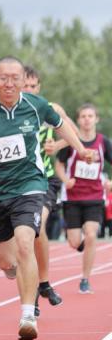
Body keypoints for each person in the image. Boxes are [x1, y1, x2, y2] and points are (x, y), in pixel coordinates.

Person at [0, 56, 93, 340]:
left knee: (27, 241)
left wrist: (80, 148)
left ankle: (28, 314)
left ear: (23, 80)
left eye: (16, 78)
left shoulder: (35, 105)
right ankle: (16, 270)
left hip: (30, 185)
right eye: (4, 78)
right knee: (4, 260)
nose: (10, 83)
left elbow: (62, 124)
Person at [23, 66, 80, 316]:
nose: (29, 90)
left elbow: (73, 133)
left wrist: (56, 145)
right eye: (25, 86)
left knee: (37, 228)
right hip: (19, 182)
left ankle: (39, 287)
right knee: (21, 243)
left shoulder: (50, 108)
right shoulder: (9, 112)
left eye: (33, 86)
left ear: (39, 88)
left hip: (45, 180)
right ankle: (39, 285)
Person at [56, 103, 112, 293]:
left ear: (96, 119)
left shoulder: (103, 142)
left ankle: (85, 279)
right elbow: (59, 165)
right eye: (83, 116)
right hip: (72, 197)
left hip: (95, 197)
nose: (87, 119)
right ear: (78, 120)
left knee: (90, 235)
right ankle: (84, 246)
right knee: (74, 241)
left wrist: (110, 182)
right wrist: (65, 179)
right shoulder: (72, 141)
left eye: (90, 116)